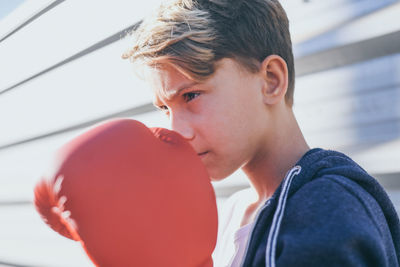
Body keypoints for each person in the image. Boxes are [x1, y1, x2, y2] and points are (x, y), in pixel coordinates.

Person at [122, 0, 400, 266]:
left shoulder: (325, 211)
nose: (176, 131)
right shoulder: (237, 208)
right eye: (164, 108)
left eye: (191, 95)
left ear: (271, 81)